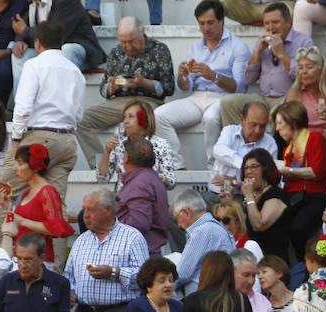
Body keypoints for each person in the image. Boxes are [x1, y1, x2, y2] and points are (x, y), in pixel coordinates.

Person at [153, 0, 251, 171]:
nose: (206, 28)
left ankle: (213, 169)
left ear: (222, 21)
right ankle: (177, 165)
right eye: (201, 23)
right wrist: (183, 77)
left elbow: (240, 87)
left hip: (225, 97)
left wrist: (213, 76)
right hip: (197, 97)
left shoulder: (238, 46)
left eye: (210, 22)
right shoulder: (196, 47)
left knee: (210, 118)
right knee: (158, 116)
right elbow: (187, 86)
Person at [0, 20, 84, 211]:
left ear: (37, 43)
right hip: (67, 140)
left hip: (37, 139)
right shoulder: (75, 71)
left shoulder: (34, 65)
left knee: (2, 195)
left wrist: (17, 138)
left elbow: (23, 107)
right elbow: (78, 115)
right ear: (61, 42)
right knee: (55, 208)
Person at [76, 17, 175, 169]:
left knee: (133, 121)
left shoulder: (159, 50)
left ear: (142, 32)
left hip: (148, 101)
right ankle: (102, 164)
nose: (127, 46)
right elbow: (103, 87)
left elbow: (169, 87)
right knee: (79, 119)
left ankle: (136, 164)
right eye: (123, 42)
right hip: (118, 102)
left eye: (132, 41)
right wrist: (110, 89)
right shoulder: (116, 52)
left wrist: (145, 83)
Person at [219, 3, 314, 126]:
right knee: (228, 102)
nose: (270, 28)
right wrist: (257, 53)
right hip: (263, 98)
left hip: (287, 99)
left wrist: (281, 54)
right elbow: (248, 80)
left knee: (279, 112)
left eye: (275, 22)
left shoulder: (304, 41)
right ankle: (239, 142)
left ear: (289, 23)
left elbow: (307, 77)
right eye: (267, 23)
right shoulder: (262, 42)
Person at [0, 143, 75, 268]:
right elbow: (20, 223)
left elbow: (55, 229)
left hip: (39, 261)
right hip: (21, 258)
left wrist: (21, 220)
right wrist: (7, 207)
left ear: (35, 167)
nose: (15, 168)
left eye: (20, 163)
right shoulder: (27, 192)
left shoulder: (47, 192)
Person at [275, 101, 326, 263]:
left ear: (292, 122)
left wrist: (288, 169)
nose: (277, 128)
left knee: (297, 228)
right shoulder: (287, 149)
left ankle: (304, 265)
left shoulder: (315, 138)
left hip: (313, 195)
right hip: (293, 196)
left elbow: (317, 172)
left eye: (280, 123)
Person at [10, 0, 105, 77]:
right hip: (47, 50)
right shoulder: (33, 4)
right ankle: (23, 100)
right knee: (20, 55)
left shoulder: (66, 2)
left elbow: (53, 35)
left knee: (66, 50)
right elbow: (21, 24)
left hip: (77, 49)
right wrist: (20, 41)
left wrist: (24, 31)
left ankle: (62, 98)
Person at [95, 99, 176, 191]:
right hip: (123, 200)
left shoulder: (161, 144)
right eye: (124, 117)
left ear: (144, 120)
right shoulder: (118, 144)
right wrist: (107, 152)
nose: (125, 121)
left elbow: (171, 183)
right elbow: (102, 180)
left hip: (149, 199)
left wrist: (161, 179)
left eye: (131, 117)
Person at [172, 191, 236, 296]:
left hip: (205, 300)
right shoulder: (211, 228)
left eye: (177, 218)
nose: (178, 224)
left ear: (186, 212)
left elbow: (182, 273)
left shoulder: (203, 231)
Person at [210, 101, 277, 201]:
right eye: (253, 125)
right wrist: (247, 167)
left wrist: (235, 181)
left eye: (262, 126)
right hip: (216, 194)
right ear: (242, 120)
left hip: (250, 199)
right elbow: (218, 150)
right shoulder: (229, 131)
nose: (258, 131)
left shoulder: (269, 143)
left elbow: (265, 178)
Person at [117, 138, 169, 256]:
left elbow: (139, 223)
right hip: (145, 250)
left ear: (126, 159)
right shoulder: (150, 178)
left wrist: (109, 224)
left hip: (139, 253)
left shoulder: (140, 183)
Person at [241, 148, 290, 261]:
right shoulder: (253, 196)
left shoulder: (276, 195)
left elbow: (258, 225)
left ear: (265, 169)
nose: (249, 172)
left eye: (254, 167)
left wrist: (249, 196)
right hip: (251, 258)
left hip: (272, 260)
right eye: (246, 168)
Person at [284, 45, 326, 134]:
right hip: (306, 145)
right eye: (300, 68)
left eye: (309, 67)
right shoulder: (294, 94)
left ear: (321, 70)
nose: (304, 71)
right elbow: (290, 130)